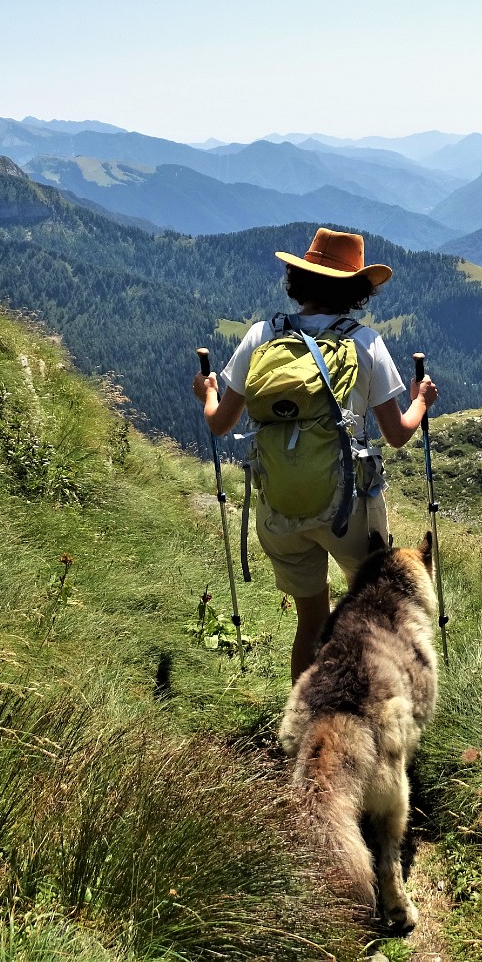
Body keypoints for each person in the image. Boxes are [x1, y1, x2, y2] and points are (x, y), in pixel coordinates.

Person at [193, 227, 438, 681]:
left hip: (279, 508)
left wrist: (207, 392)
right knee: (364, 613)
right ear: (357, 290)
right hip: (349, 509)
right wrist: (421, 399)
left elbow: (220, 423)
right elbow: (398, 433)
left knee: (310, 620)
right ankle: (362, 715)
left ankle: (305, 726)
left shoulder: (261, 335)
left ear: (298, 279)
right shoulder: (365, 344)